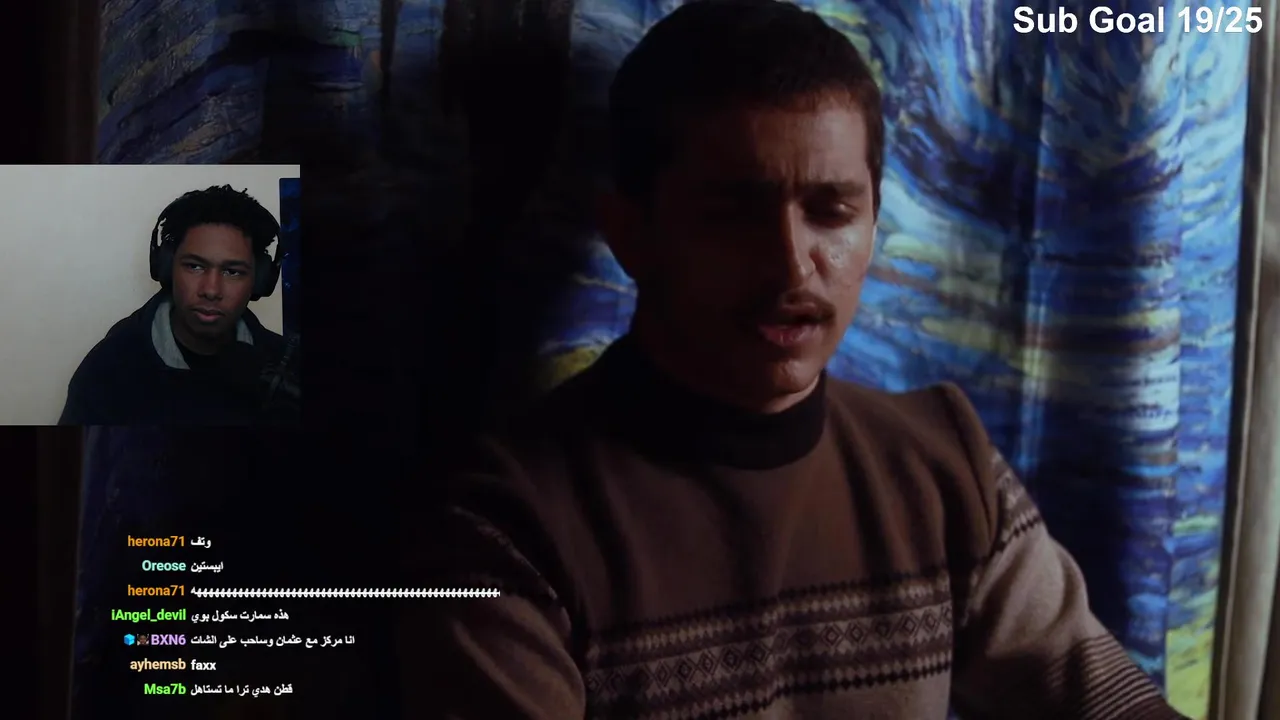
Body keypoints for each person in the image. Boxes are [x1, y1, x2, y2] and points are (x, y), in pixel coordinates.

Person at [402, 1, 1188, 718]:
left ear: (873, 225)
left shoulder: (944, 467)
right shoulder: (507, 529)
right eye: (732, 214)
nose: (789, 266)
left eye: (831, 211)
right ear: (631, 233)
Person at [59, 185, 296, 426]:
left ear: (260, 280)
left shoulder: (287, 369)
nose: (211, 290)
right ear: (167, 267)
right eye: (195, 266)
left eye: (232, 271)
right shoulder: (108, 372)